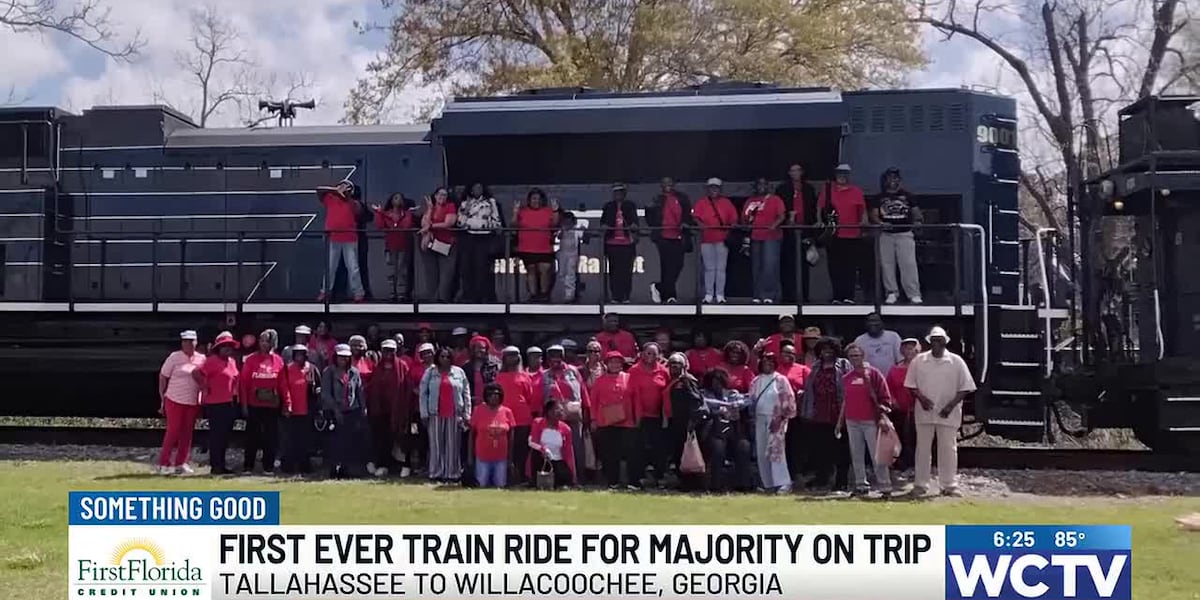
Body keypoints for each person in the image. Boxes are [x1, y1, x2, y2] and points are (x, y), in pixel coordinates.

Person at [904, 326, 976, 497]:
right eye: (934, 340)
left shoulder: (956, 361)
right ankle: (921, 484)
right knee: (922, 448)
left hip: (948, 412)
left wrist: (950, 406)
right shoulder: (919, 360)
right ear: (929, 342)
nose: (936, 343)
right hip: (924, 412)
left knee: (948, 448)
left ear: (945, 342)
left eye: (940, 340)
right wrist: (921, 399)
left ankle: (949, 485)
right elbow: (911, 385)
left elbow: (966, 387)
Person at [840, 343, 894, 497]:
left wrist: (883, 414)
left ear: (863, 356)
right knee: (856, 455)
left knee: (877, 456)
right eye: (851, 356)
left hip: (871, 421)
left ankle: (885, 487)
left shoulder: (874, 374)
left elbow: (885, 396)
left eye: (857, 355)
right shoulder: (846, 378)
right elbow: (845, 400)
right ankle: (861, 485)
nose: (854, 358)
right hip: (852, 420)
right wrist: (840, 422)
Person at [799, 337, 851, 491]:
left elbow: (848, 388)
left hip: (839, 413)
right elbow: (809, 391)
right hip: (819, 413)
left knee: (841, 450)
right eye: (823, 349)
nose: (827, 352)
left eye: (830, 349)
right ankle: (822, 479)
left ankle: (841, 482)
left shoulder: (843, 364)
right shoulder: (815, 367)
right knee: (822, 449)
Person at [819, 164, 871, 304]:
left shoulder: (856, 191)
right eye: (839, 173)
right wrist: (819, 222)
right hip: (834, 233)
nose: (842, 176)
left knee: (850, 266)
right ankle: (837, 296)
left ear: (849, 175)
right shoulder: (828, 189)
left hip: (852, 233)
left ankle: (848, 296)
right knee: (834, 266)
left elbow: (863, 211)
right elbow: (820, 208)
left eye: (845, 174)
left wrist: (864, 224)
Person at [240, 329, 288, 475]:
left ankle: (268, 466)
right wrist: (244, 404)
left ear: (272, 342)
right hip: (254, 405)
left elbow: (283, 384)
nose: (263, 343)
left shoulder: (278, 361)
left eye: (266, 341)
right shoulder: (250, 360)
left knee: (271, 437)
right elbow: (243, 384)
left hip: (272, 405)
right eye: (261, 340)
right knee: (252, 437)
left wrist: (287, 403)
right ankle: (248, 466)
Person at [419, 347, 471, 482]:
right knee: (436, 445)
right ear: (438, 358)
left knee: (453, 445)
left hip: (455, 414)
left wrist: (467, 414)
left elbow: (466, 394)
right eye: (442, 356)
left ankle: (452, 473)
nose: (445, 359)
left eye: (448, 357)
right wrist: (424, 413)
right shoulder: (430, 372)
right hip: (434, 413)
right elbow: (423, 394)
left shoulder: (459, 372)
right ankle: (436, 473)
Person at [157, 330, 205, 475]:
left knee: (187, 433)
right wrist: (162, 398)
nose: (188, 344)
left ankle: (181, 463)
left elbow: (203, 379)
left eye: (191, 341)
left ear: (196, 342)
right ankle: (163, 463)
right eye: (185, 341)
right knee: (173, 431)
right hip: (174, 399)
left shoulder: (202, 358)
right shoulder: (174, 357)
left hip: (192, 401)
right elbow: (163, 377)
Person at [872, 167, 923, 305]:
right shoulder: (879, 197)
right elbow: (874, 214)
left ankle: (913, 294)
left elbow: (916, 212)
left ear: (899, 180)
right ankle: (891, 293)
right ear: (885, 180)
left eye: (895, 178)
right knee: (887, 265)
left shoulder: (909, 196)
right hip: (886, 234)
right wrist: (881, 223)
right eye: (890, 178)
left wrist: (918, 221)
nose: (893, 181)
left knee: (908, 264)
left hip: (905, 233)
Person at [698, 368, 754, 492]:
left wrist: (736, 406)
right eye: (713, 381)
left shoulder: (731, 393)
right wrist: (718, 411)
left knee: (744, 446)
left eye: (719, 381)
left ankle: (743, 484)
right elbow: (703, 408)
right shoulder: (704, 394)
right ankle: (716, 485)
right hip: (714, 431)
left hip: (733, 430)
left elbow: (748, 400)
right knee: (718, 448)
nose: (716, 384)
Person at [748, 351, 796, 493]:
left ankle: (783, 483)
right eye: (764, 361)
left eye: (770, 361)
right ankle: (767, 483)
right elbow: (751, 399)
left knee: (776, 451)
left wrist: (781, 418)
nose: (767, 364)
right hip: (759, 418)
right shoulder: (756, 381)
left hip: (775, 419)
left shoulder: (780, 380)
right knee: (762, 451)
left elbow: (789, 401)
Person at [540, 345, 590, 478]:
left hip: (573, 415)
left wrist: (587, 413)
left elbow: (583, 392)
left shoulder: (573, 371)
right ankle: (559, 477)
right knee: (555, 448)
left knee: (576, 446)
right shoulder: (544, 375)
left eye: (558, 355)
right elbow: (540, 398)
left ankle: (578, 477)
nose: (555, 358)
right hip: (553, 419)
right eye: (552, 355)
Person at [589, 350, 637, 488]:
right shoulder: (599, 381)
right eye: (612, 362)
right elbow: (594, 402)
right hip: (606, 422)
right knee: (610, 453)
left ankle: (631, 482)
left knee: (629, 453)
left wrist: (636, 417)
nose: (615, 365)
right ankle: (613, 482)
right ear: (606, 364)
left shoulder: (628, 378)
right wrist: (593, 420)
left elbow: (635, 399)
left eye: (618, 362)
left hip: (626, 422)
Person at [365, 339, 412, 478]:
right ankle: (383, 465)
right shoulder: (377, 367)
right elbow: (373, 388)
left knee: (401, 438)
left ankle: (406, 465)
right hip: (381, 411)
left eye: (391, 350)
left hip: (398, 409)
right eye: (386, 350)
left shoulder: (402, 366)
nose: (388, 353)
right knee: (382, 438)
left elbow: (407, 388)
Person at [320, 344, 367, 478]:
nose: (344, 360)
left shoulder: (354, 372)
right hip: (333, 412)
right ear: (336, 357)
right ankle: (333, 468)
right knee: (334, 442)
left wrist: (363, 408)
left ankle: (346, 469)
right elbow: (325, 394)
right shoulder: (328, 372)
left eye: (346, 357)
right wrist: (335, 409)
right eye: (341, 357)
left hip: (351, 411)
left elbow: (359, 391)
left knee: (348, 442)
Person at [196, 331, 239, 475]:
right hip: (215, 404)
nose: (228, 349)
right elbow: (196, 373)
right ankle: (215, 466)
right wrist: (204, 386)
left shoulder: (232, 362)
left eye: (230, 346)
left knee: (225, 436)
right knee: (216, 436)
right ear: (218, 348)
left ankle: (222, 464)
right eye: (224, 346)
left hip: (229, 403)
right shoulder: (212, 361)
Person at [646, 176, 693, 304]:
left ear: (673, 184)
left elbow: (688, 215)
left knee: (678, 265)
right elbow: (649, 216)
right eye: (665, 183)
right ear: (661, 185)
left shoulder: (682, 198)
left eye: (670, 183)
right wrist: (655, 227)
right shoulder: (657, 199)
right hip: (663, 236)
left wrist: (685, 223)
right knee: (667, 266)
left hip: (678, 235)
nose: (668, 185)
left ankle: (659, 287)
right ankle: (670, 296)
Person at [316, 180, 365, 302]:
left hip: (349, 238)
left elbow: (359, 211)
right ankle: (325, 292)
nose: (343, 187)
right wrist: (334, 190)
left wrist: (347, 195)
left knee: (353, 267)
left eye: (347, 186)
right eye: (341, 185)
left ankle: (358, 293)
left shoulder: (353, 203)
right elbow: (319, 189)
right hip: (332, 237)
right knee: (330, 267)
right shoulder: (329, 198)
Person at [628, 342, 669, 486]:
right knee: (638, 449)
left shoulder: (664, 371)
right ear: (642, 353)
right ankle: (636, 480)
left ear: (659, 355)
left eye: (654, 353)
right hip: (639, 416)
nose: (650, 356)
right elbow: (630, 394)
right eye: (648, 352)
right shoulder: (633, 371)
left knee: (659, 449)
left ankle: (660, 478)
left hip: (657, 417)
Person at [777, 163, 819, 303]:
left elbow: (813, 210)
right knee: (788, 265)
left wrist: (813, 231)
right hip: (787, 231)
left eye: (798, 170)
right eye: (793, 171)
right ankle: (788, 296)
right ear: (789, 173)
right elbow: (778, 210)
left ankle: (803, 296)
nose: (795, 173)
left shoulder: (808, 189)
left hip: (805, 231)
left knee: (804, 265)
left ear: (802, 172)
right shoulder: (782, 189)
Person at [692, 177, 737, 304]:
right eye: (711, 187)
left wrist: (730, 227)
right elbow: (695, 217)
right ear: (708, 189)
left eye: (716, 187)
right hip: (706, 239)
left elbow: (734, 219)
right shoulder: (701, 202)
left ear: (720, 189)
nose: (714, 189)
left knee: (721, 268)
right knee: (709, 268)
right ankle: (709, 294)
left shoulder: (726, 203)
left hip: (722, 239)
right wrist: (700, 224)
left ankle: (720, 294)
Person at [742, 177, 787, 304]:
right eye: (759, 184)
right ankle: (757, 294)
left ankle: (769, 295)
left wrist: (773, 225)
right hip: (755, 236)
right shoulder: (750, 201)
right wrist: (747, 224)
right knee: (756, 267)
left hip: (771, 237)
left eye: (764, 184)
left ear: (768, 186)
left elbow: (782, 216)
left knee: (770, 266)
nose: (761, 186)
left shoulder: (775, 199)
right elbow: (744, 219)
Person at [456, 182, 504, 303]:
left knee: (481, 267)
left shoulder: (490, 202)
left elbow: (497, 221)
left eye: (480, 188)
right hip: (468, 238)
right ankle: (468, 295)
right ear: (471, 190)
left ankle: (482, 295)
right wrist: (466, 211)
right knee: (466, 267)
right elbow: (460, 223)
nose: (478, 190)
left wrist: (486, 225)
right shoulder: (464, 204)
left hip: (484, 237)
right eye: (475, 188)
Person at [496, 346, 536, 485]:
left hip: (522, 418)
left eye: (514, 355)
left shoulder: (525, 376)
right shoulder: (499, 376)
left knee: (522, 449)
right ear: (504, 359)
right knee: (505, 448)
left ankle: (521, 476)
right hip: (504, 417)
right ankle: (506, 476)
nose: (512, 358)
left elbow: (530, 397)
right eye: (509, 355)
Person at [664, 352, 703, 480]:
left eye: (677, 365)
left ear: (683, 366)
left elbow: (696, 401)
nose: (674, 367)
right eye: (672, 365)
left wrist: (692, 421)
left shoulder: (687, 380)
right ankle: (681, 480)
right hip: (674, 421)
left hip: (685, 422)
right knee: (677, 452)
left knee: (686, 453)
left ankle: (690, 482)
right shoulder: (671, 381)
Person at [280, 343, 318, 475]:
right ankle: (288, 466)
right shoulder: (287, 369)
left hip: (307, 410)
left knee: (305, 440)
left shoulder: (312, 369)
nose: (299, 357)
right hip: (291, 410)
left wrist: (314, 389)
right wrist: (287, 404)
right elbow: (284, 388)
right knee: (290, 439)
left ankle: (304, 466)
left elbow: (318, 388)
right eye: (297, 354)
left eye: (302, 354)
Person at [469, 383, 516, 488]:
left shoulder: (507, 412)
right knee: (482, 484)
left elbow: (511, 437)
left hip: (501, 457)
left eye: (497, 394)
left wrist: (510, 458)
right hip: (482, 456)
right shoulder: (478, 410)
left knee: (500, 485)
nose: (494, 397)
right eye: (491, 394)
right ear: (486, 396)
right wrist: (470, 457)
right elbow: (471, 435)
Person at [886, 338, 921, 476]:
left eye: (912, 348)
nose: (909, 351)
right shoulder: (895, 368)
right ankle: (902, 464)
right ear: (901, 350)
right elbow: (888, 386)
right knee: (901, 437)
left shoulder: (922, 367)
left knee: (915, 438)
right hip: (899, 409)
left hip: (918, 409)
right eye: (906, 348)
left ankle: (915, 466)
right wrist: (893, 401)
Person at [600, 183, 640, 303]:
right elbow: (603, 222)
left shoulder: (630, 205)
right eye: (616, 193)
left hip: (627, 243)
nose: (618, 195)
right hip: (612, 243)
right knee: (614, 271)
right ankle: (615, 296)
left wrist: (633, 226)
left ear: (624, 194)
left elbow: (635, 221)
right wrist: (605, 227)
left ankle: (626, 296)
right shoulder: (608, 206)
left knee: (626, 271)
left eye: (621, 192)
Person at [373, 193, 415, 302]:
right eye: (396, 198)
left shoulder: (406, 214)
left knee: (402, 271)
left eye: (400, 198)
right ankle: (392, 293)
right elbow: (379, 226)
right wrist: (379, 213)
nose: (398, 200)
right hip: (390, 247)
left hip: (403, 246)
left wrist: (407, 215)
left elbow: (406, 226)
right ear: (391, 201)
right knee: (391, 271)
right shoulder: (386, 214)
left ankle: (401, 294)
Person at [419, 187, 458, 303]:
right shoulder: (431, 208)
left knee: (446, 272)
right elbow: (424, 224)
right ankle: (433, 298)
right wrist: (430, 209)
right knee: (432, 272)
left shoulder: (450, 206)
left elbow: (449, 223)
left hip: (446, 244)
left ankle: (443, 299)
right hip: (432, 244)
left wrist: (431, 227)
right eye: (440, 194)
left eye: (445, 195)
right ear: (435, 196)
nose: (442, 197)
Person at [779, 339, 811, 480]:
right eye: (786, 352)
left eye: (792, 353)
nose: (789, 355)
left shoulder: (803, 369)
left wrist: (803, 392)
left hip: (798, 412)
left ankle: (797, 472)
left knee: (797, 443)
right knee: (781, 443)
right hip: (778, 413)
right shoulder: (775, 368)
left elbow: (811, 387)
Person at [528, 400, 576, 488]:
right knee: (536, 456)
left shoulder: (566, 429)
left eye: (562, 410)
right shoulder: (537, 422)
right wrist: (543, 449)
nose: (561, 413)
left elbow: (569, 452)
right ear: (549, 412)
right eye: (558, 410)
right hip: (542, 458)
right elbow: (531, 442)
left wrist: (572, 472)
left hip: (558, 460)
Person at [556, 209, 587, 303]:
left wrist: (583, 230)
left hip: (573, 254)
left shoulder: (577, 229)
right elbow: (559, 237)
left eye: (570, 222)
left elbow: (583, 237)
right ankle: (569, 290)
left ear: (573, 222)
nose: (568, 224)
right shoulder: (561, 229)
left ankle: (570, 295)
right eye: (566, 221)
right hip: (562, 254)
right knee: (562, 274)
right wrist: (563, 229)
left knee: (571, 274)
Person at [462, 335, 501, 406]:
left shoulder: (494, 366)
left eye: (482, 348)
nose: (480, 350)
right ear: (473, 349)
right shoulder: (466, 367)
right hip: (471, 403)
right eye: (477, 347)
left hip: (489, 402)